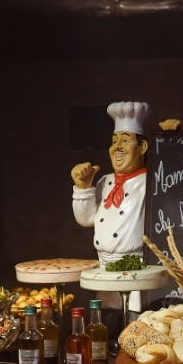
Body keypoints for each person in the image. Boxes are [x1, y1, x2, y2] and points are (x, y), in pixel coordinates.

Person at [71, 101, 152, 265]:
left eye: (126, 141)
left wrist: (173, 137)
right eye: (114, 142)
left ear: (142, 147)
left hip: (138, 263)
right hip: (103, 263)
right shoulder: (105, 181)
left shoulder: (151, 182)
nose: (117, 147)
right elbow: (86, 219)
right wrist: (83, 188)